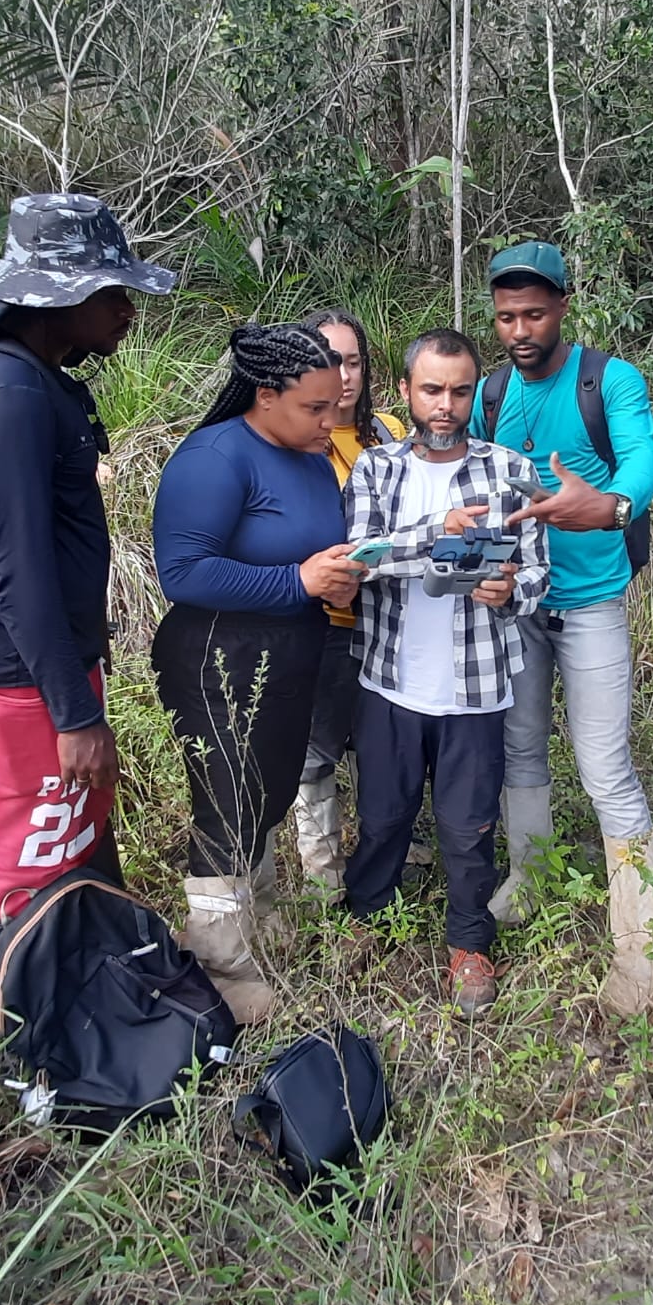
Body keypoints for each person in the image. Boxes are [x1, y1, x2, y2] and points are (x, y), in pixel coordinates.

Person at [0, 192, 176, 984]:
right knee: (27, 857)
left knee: (72, 835)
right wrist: (75, 710)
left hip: (32, 664)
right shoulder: (7, 396)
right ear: (59, 298)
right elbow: (13, 564)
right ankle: (32, 1050)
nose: (128, 311)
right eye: (112, 294)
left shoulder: (30, 376)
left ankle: (98, 1001)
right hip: (4, 669)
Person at [472, 241, 653, 1017]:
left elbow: (645, 462)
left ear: (563, 307)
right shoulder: (491, 392)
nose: (520, 330)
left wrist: (611, 506)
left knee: (603, 762)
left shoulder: (607, 380)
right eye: (506, 316)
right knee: (520, 745)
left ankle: (641, 938)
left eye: (535, 313)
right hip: (519, 603)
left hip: (588, 603)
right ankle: (534, 872)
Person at [151, 324, 366, 1023]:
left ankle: (257, 921)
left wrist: (338, 577)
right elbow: (182, 571)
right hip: (217, 657)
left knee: (268, 792)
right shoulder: (214, 458)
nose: (329, 421)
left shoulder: (306, 454)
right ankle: (221, 962)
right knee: (228, 802)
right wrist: (299, 580)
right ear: (265, 395)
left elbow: (307, 554)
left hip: (290, 652)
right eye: (314, 409)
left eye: (334, 406)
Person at [345, 329, 550, 1016]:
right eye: (431, 390)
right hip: (388, 679)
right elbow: (360, 557)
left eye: (460, 391)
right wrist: (436, 532)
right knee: (381, 815)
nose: (445, 405)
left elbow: (538, 572)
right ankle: (369, 915)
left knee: (467, 827)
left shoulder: (508, 470)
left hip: (475, 684)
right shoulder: (375, 469)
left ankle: (469, 942)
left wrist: (509, 590)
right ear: (405, 391)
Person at [286, 308, 406, 895]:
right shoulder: (296, 438)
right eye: (330, 360)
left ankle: (393, 848)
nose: (344, 374)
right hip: (327, 621)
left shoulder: (386, 429)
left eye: (353, 360)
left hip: (389, 616)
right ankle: (323, 873)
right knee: (319, 745)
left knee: (385, 739)